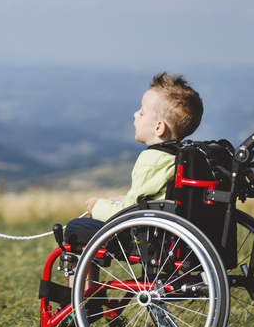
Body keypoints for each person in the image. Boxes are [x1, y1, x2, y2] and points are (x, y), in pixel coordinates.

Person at [65, 72, 203, 256]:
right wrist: (122, 199)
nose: (135, 114)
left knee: (76, 228)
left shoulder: (151, 161)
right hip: (175, 235)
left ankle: (81, 284)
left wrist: (97, 206)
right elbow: (154, 198)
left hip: (146, 238)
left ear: (158, 128)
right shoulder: (180, 157)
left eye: (142, 112)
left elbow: (127, 215)